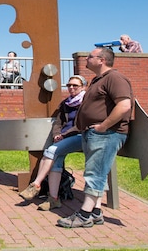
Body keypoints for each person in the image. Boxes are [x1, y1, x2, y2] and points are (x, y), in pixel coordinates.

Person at [57, 46, 133, 228]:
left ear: (102, 60)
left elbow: (124, 106)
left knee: (95, 174)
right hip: (95, 134)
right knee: (97, 172)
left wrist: (103, 126)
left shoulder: (115, 78)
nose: (86, 59)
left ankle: (84, 215)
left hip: (107, 134)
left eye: (90, 57)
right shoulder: (98, 80)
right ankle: (96, 213)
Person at [19, 75, 87, 210]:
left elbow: (82, 124)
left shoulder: (87, 103)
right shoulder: (66, 103)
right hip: (64, 138)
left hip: (80, 136)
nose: (71, 88)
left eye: (75, 86)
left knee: (50, 151)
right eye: (69, 85)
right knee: (56, 160)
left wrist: (64, 135)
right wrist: (57, 134)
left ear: (84, 87)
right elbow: (58, 122)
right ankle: (53, 199)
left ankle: (36, 185)